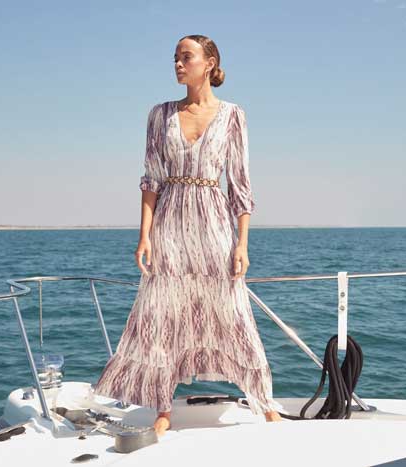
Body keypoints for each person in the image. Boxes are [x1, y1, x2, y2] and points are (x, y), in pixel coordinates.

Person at [92, 34, 283, 437]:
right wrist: (144, 237)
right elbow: (150, 180)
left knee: (231, 308)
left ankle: (263, 400)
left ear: (210, 63)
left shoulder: (233, 115)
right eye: (175, 58)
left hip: (214, 222)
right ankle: (162, 405)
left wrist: (242, 243)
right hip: (169, 223)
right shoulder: (159, 114)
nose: (178, 64)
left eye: (187, 57)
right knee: (162, 314)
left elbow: (241, 185)